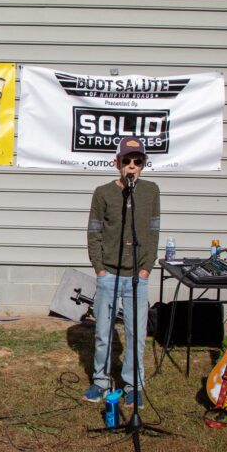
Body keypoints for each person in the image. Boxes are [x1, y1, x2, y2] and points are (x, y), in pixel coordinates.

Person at [84, 136, 161, 409]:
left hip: (137, 276)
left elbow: (153, 231)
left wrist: (147, 268)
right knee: (103, 332)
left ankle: (133, 385)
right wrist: (99, 268)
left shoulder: (151, 191)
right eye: (126, 160)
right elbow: (94, 232)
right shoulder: (103, 192)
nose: (132, 166)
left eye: (137, 161)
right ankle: (100, 381)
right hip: (109, 274)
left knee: (136, 334)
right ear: (116, 162)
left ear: (143, 164)